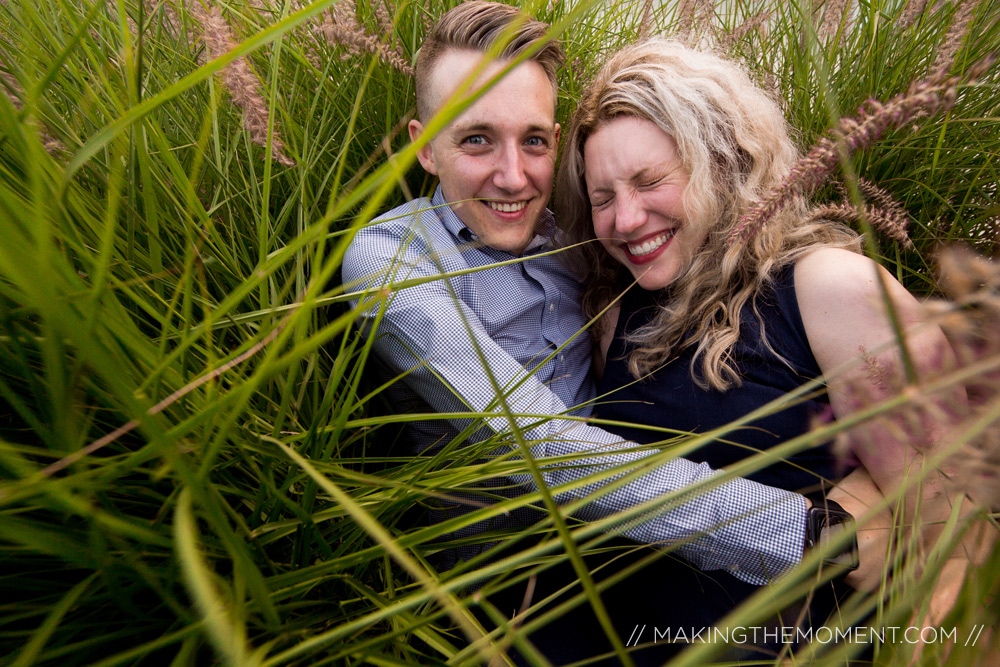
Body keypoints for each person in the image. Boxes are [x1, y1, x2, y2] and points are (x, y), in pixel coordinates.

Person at [343, 4, 881, 664]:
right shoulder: (391, 260)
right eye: (476, 139)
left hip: (659, 557)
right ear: (425, 145)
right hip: (523, 596)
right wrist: (799, 531)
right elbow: (537, 444)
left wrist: (880, 485)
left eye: (534, 141)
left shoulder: (584, 242)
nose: (514, 176)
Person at [556, 38, 977, 659]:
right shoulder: (615, 316)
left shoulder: (824, 287)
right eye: (602, 198)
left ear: (721, 161)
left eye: (650, 182)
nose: (625, 218)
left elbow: (951, 536)